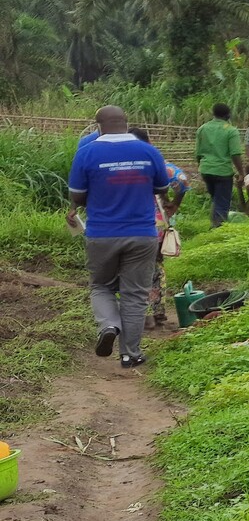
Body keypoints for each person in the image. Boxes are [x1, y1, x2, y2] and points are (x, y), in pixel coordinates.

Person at [66, 106, 173, 368]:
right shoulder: (148, 151)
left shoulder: (87, 152)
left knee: (100, 286)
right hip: (142, 234)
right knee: (134, 294)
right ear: (126, 123)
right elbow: (161, 188)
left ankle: (110, 325)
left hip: (102, 234)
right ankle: (130, 354)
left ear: (98, 126)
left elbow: (77, 196)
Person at [130, 127, 189, 328]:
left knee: (133, 267)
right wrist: (174, 204)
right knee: (156, 266)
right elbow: (181, 181)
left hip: (130, 223)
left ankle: (143, 315)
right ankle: (158, 312)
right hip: (156, 223)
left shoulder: (125, 163)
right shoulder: (158, 163)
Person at [194, 101, 245, 227]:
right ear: (228, 115)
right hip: (222, 171)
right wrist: (241, 172)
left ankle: (215, 224)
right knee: (222, 203)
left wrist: (202, 167)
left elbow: (198, 153)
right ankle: (217, 230)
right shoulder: (231, 131)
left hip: (206, 170)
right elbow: (235, 154)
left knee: (216, 200)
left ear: (214, 114)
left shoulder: (203, 128)